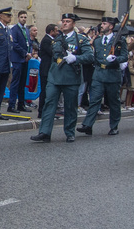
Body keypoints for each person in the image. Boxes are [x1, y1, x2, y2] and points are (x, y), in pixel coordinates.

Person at [30, 14, 93, 142]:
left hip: (71, 77)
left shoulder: (80, 40)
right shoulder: (56, 39)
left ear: (73, 24)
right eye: (63, 21)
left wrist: (76, 58)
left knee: (70, 106)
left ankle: (69, 132)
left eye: (68, 21)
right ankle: (44, 132)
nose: (65, 23)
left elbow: (90, 56)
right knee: (49, 104)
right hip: (55, 75)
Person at [80, 16, 127, 136]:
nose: (102, 25)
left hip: (112, 74)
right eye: (102, 23)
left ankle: (114, 126)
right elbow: (95, 57)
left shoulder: (120, 41)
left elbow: (125, 57)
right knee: (94, 100)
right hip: (99, 74)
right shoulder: (97, 41)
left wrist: (115, 59)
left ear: (111, 26)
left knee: (113, 102)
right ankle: (88, 125)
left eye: (104, 24)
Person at [8, 9, 32, 112]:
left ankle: (21, 104)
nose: (23, 19)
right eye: (22, 17)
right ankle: (12, 105)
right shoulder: (14, 29)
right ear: (18, 18)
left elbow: (29, 42)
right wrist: (24, 53)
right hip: (17, 59)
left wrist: (29, 53)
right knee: (15, 82)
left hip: (25, 59)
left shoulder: (26, 30)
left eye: (25, 17)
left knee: (22, 83)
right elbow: (15, 44)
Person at [36, 23, 59, 118]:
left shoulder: (53, 40)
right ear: (51, 31)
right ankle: (41, 112)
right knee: (45, 91)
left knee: (51, 92)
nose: (57, 32)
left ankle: (49, 111)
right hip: (46, 69)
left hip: (51, 70)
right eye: (56, 30)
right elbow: (52, 52)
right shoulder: (46, 40)